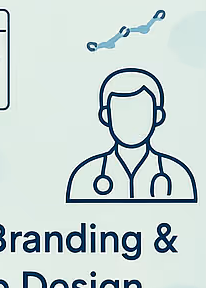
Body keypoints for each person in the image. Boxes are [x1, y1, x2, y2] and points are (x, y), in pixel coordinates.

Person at [66, 67, 197, 203]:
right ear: (106, 116)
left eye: (140, 111)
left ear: (158, 115)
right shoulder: (86, 175)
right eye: (122, 111)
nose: (131, 121)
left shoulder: (177, 175)